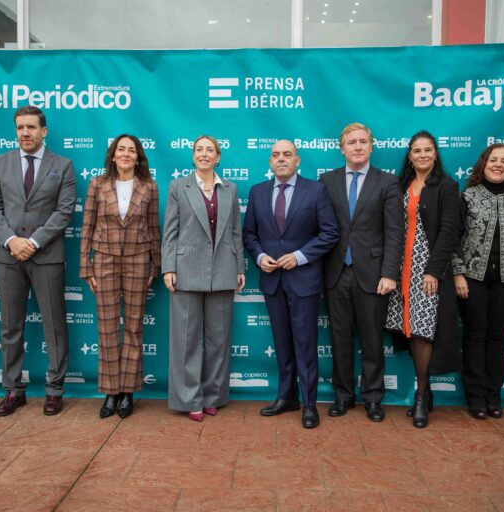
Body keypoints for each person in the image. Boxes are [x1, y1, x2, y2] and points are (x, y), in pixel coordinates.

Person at [0, 106, 77, 417]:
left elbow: (64, 212)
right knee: (11, 326)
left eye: (31, 128)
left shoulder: (62, 165)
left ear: (43, 131)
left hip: (46, 255)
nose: (25, 133)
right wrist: (13, 241)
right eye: (20, 128)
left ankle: (54, 390)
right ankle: (13, 390)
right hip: (8, 255)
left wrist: (34, 242)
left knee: (54, 325)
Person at [243, 139, 339, 429]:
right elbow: (249, 235)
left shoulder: (316, 190)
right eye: (275, 155)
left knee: (305, 344)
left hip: (304, 280)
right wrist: (259, 257)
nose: (281, 159)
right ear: (270, 162)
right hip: (272, 281)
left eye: (287, 155)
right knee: (282, 344)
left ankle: (309, 403)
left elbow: (329, 233)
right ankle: (287, 397)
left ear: (297, 160)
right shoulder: (257, 192)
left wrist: (299, 257)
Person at [319, 123, 403, 422]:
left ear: (371, 146)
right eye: (351, 142)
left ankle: (373, 398)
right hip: (335, 273)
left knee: (371, 340)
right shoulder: (326, 181)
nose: (357, 146)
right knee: (339, 339)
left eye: (363, 141)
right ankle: (342, 396)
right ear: (341, 148)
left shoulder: (387, 182)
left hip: (374, 274)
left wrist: (390, 272)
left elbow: (394, 232)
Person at [162, 134, 245, 422]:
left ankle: (213, 396)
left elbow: (235, 231)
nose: (204, 154)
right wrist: (168, 267)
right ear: (193, 156)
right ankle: (189, 399)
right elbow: (170, 230)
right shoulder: (178, 186)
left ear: (218, 156)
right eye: (199, 149)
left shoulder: (230, 189)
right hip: (185, 270)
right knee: (185, 339)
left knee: (219, 339)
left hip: (223, 270)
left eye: (210, 150)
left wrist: (240, 267)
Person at [80, 134, 161, 419]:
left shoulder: (149, 187)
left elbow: (154, 228)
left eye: (131, 150)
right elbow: (86, 227)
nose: (125, 154)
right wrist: (85, 267)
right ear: (113, 156)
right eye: (120, 149)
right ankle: (110, 392)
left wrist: (156, 264)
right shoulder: (97, 185)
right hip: (104, 260)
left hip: (139, 261)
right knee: (107, 328)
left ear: (138, 157)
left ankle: (128, 392)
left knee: (134, 328)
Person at [385, 131, 461, 428]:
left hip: (427, 267)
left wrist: (433, 269)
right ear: (410, 156)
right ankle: (425, 392)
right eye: (417, 151)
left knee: (424, 328)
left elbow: (448, 232)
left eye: (428, 150)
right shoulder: (401, 184)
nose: (423, 155)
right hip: (401, 264)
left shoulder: (447, 185)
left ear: (436, 154)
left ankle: (420, 395)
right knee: (409, 327)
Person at [452, 143, 504, 420]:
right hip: (472, 279)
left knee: (497, 337)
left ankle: (494, 396)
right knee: (474, 336)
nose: (498, 165)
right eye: (493, 160)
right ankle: (476, 397)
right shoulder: (467, 197)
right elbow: (453, 240)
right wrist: (458, 272)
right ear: (483, 165)